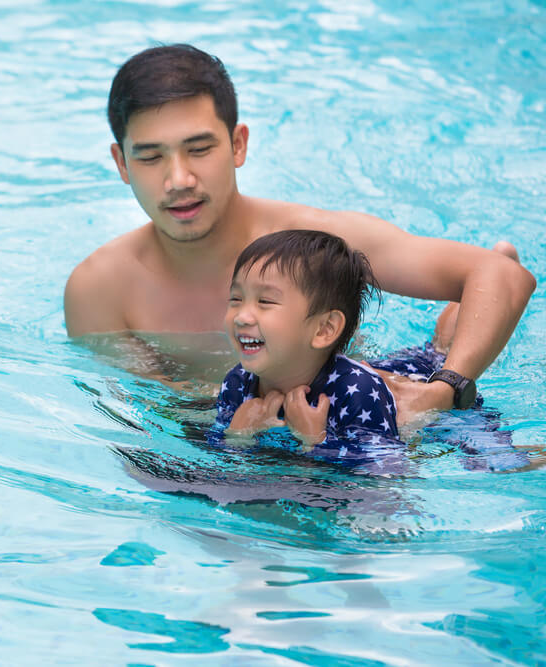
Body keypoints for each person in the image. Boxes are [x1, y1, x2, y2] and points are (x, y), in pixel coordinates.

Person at [63, 44, 536, 424]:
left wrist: (443, 388)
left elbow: (502, 277)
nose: (179, 179)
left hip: (360, 390)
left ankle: (450, 338)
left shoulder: (311, 242)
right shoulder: (101, 290)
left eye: (199, 148)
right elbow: (153, 417)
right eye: (150, 157)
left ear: (238, 144)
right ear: (122, 164)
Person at [211, 229, 531, 473]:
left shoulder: (358, 393)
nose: (242, 315)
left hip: (417, 393)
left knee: (496, 464)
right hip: (383, 368)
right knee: (434, 347)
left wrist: (316, 441)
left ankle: (495, 276)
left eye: (264, 302)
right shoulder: (238, 382)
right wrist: (238, 434)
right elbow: (218, 462)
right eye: (235, 299)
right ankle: (492, 276)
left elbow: (388, 473)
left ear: (324, 329)